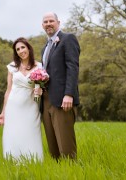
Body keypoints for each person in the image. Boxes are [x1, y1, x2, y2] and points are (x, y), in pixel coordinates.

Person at [0, 37, 43, 161]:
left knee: (30, 131)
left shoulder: (39, 66)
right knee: (14, 133)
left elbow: (43, 87)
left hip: (31, 105)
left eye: (23, 47)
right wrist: (3, 112)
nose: (21, 51)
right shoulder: (12, 67)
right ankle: (13, 159)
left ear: (28, 48)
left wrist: (40, 90)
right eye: (18, 49)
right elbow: (8, 90)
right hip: (13, 105)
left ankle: (33, 160)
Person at [41, 12, 80, 160]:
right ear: (42, 25)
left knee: (66, 148)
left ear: (58, 22)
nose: (48, 24)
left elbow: (73, 68)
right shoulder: (45, 47)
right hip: (46, 101)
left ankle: (71, 173)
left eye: (51, 21)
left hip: (63, 100)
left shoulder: (68, 39)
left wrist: (69, 94)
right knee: (53, 149)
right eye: (45, 22)